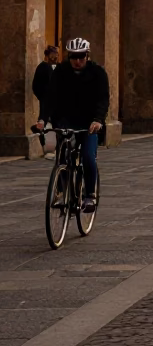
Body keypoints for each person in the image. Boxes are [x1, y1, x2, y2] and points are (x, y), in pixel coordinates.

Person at [35, 38, 106, 214]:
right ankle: (63, 191)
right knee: (63, 156)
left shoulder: (98, 73)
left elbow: (103, 99)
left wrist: (98, 119)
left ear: (87, 55)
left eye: (81, 56)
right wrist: (43, 119)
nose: (77, 60)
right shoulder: (60, 72)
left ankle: (90, 195)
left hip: (89, 124)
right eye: (74, 56)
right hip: (65, 121)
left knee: (88, 157)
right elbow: (49, 97)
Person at [32, 45, 58, 130]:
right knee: (45, 117)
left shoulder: (44, 66)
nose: (56, 56)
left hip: (46, 97)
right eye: (55, 54)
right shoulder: (45, 67)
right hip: (47, 97)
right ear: (49, 54)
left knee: (44, 117)